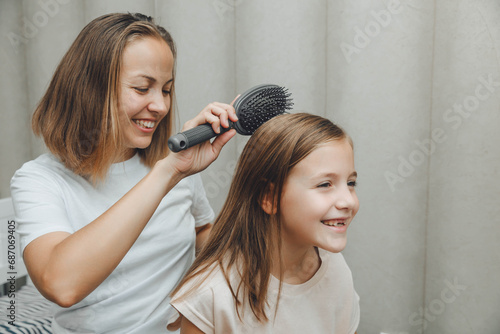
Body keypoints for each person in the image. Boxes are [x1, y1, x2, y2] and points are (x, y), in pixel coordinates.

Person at [10, 12, 238, 333]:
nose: (160, 106)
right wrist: (168, 172)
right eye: (142, 88)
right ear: (91, 90)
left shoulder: (175, 163)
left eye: (166, 89)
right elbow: (61, 284)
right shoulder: (39, 180)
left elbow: (202, 232)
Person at [167, 112, 361, 333]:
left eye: (351, 182)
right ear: (269, 197)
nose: (348, 200)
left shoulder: (336, 270)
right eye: (325, 184)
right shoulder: (210, 295)